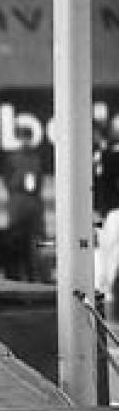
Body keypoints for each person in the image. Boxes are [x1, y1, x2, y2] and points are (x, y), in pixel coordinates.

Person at [1, 127, 46, 282]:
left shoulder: (36, 158)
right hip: (18, 201)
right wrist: (15, 193)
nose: (25, 141)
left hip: (33, 201)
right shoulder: (12, 158)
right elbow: (7, 179)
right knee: (16, 237)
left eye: (28, 137)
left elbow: (40, 180)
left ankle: (37, 273)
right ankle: (17, 273)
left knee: (36, 237)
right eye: (23, 137)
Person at [94, 121, 119, 316]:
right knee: (106, 256)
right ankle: (106, 298)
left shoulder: (104, 155)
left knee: (108, 256)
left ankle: (107, 298)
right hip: (109, 212)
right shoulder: (104, 156)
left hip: (109, 212)